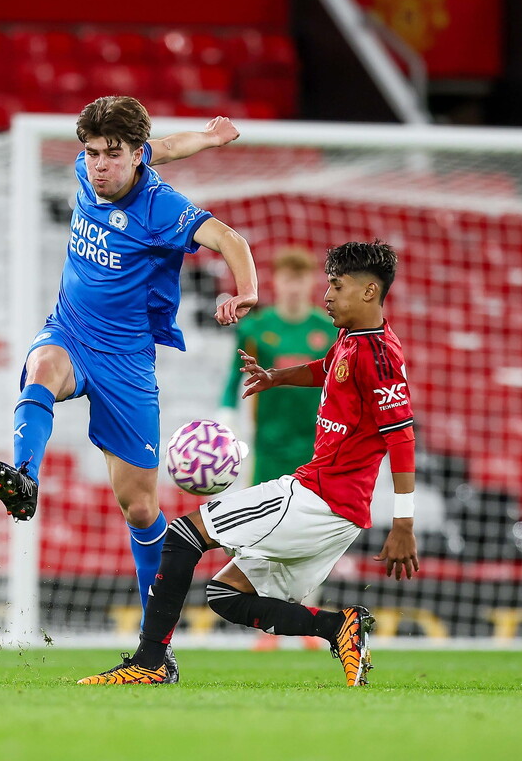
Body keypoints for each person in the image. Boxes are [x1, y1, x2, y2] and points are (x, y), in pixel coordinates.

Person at [0, 96, 258, 682]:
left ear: (136, 157)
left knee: (140, 507)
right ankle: (24, 477)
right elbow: (169, 144)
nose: (98, 166)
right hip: (71, 331)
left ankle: (154, 653)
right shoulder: (94, 171)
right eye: (91, 153)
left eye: (112, 155)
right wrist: (206, 139)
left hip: (128, 362)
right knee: (42, 368)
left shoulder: (163, 207)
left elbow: (232, 241)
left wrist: (246, 290)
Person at [77, 240, 418, 687]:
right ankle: (338, 628)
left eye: (336, 286)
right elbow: (326, 368)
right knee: (225, 594)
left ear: (370, 292)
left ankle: (150, 662)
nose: (327, 296)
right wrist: (278, 376)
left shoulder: (381, 355)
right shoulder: (353, 340)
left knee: (182, 537)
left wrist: (403, 524)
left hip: (319, 496)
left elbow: (402, 437)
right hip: (335, 509)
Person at [218, 247, 335, 651]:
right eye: (285, 278)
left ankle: (311, 617)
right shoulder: (258, 326)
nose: (292, 286)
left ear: (310, 284)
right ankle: (265, 626)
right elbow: (233, 379)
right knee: (265, 534)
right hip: (268, 447)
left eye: (300, 279)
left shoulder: (328, 330)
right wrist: (227, 416)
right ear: (276, 282)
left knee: (312, 535)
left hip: (316, 447)